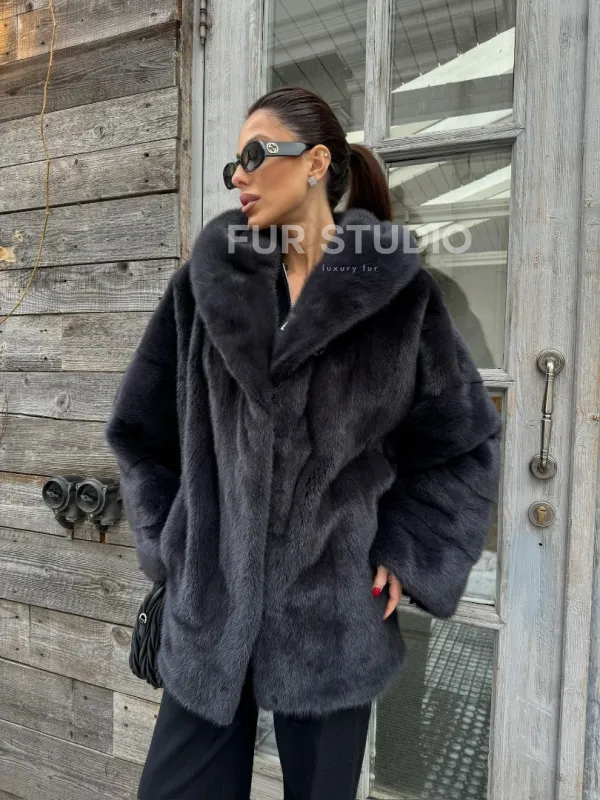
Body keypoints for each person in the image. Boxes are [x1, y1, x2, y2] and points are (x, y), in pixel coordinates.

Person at [105, 85, 503, 800]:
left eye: (256, 155)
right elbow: (140, 430)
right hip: (210, 608)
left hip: (332, 616)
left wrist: (407, 553)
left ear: (316, 162)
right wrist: (174, 544)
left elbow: (460, 444)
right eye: (233, 164)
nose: (239, 177)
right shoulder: (203, 290)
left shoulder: (398, 301)